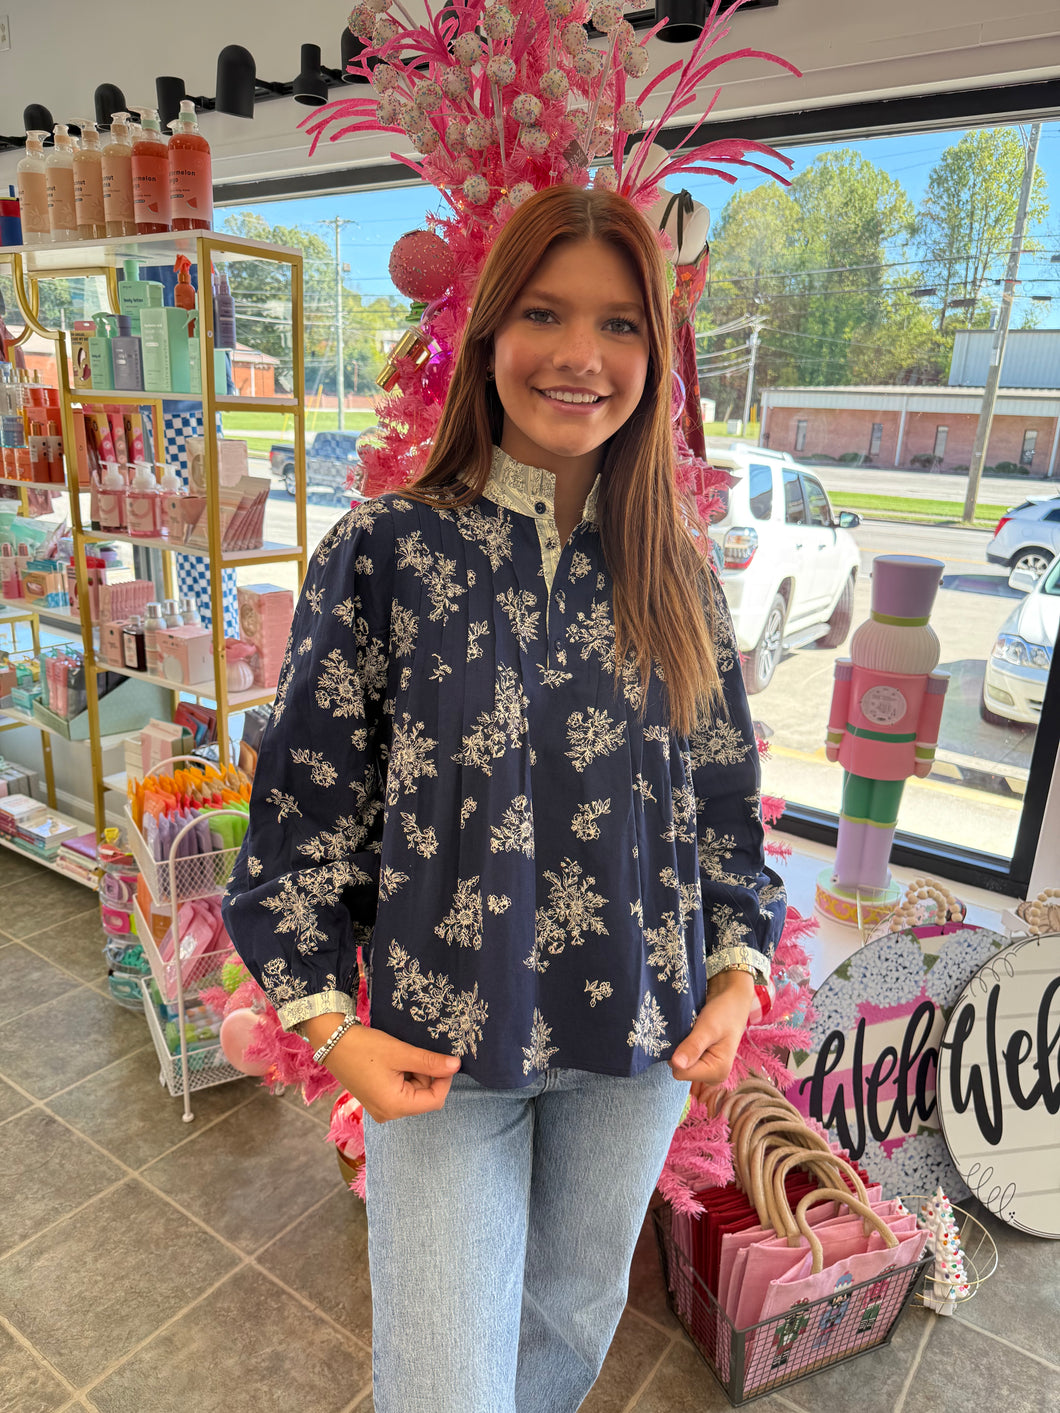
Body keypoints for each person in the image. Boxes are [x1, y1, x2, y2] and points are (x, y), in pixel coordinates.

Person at [222, 184, 786, 1413]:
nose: (581, 355)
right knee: (442, 1390)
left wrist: (738, 976)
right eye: (544, 312)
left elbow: (724, 811)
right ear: (487, 338)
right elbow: (300, 823)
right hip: (441, 1055)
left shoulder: (676, 573)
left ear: (658, 348)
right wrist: (330, 1028)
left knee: (559, 1350)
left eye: (622, 323)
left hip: (637, 1046)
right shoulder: (385, 551)